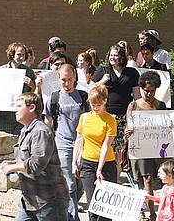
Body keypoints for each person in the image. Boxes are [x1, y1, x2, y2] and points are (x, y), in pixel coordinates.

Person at [1, 92, 69, 221]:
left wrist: (14, 167)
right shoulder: (25, 130)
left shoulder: (40, 132)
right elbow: (25, 159)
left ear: (31, 108)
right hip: (29, 200)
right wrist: (13, 164)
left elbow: (36, 165)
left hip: (50, 201)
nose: (15, 110)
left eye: (19, 106)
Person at [44, 64, 88, 221]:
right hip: (62, 146)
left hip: (83, 145)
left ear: (74, 78)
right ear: (59, 79)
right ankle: (72, 218)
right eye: (63, 80)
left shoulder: (83, 97)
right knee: (69, 185)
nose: (67, 83)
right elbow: (47, 125)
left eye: (69, 79)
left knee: (81, 184)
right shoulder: (53, 99)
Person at [91, 45, 141, 183]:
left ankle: (116, 177)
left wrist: (140, 113)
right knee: (107, 146)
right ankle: (103, 174)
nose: (113, 57)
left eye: (116, 55)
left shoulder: (131, 73)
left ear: (122, 57)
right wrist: (103, 81)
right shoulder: (103, 70)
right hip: (106, 115)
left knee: (119, 148)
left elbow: (137, 96)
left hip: (124, 115)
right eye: (111, 55)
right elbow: (91, 90)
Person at [125, 71, 166, 221]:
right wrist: (128, 131)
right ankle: (149, 212)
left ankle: (146, 208)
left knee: (151, 179)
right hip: (139, 148)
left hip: (155, 148)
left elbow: (165, 127)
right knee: (144, 179)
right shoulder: (133, 106)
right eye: (146, 90)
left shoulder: (160, 106)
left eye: (152, 90)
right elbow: (127, 128)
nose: (148, 93)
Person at [73, 84, 117, 221]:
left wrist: (100, 169)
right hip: (87, 162)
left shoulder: (110, 120)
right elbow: (79, 140)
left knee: (105, 207)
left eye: (98, 104)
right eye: (92, 104)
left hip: (106, 164)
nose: (95, 107)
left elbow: (106, 145)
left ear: (104, 101)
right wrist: (74, 163)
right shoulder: (85, 117)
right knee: (93, 205)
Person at [0, 42, 36, 135]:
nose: (22, 58)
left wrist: (32, 85)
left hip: (22, 116)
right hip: (5, 116)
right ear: (12, 54)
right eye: (19, 54)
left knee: (20, 144)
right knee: (5, 144)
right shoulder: (2, 71)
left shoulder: (29, 72)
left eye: (23, 55)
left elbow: (35, 95)